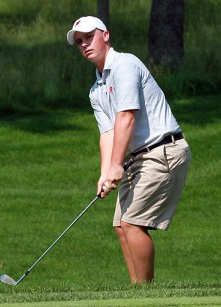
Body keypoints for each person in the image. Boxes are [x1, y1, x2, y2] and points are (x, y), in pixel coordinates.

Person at [67, 16, 191, 283]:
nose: (85, 44)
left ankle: (147, 294)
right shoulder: (96, 88)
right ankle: (137, 292)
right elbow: (107, 132)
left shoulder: (125, 65)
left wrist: (116, 165)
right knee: (121, 227)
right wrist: (105, 172)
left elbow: (127, 117)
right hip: (138, 158)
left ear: (106, 35)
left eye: (89, 37)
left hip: (162, 151)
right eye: (79, 42)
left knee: (132, 224)